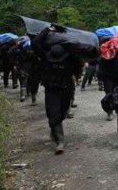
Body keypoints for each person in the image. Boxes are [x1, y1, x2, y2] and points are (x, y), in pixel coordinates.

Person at [31, 25, 83, 154]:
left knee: (63, 112)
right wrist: (47, 30)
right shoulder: (45, 55)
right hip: (51, 88)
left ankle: (54, 127)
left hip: (66, 88)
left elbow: (79, 64)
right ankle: (60, 141)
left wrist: (77, 76)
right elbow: (35, 43)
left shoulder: (71, 56)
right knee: (53, 113)